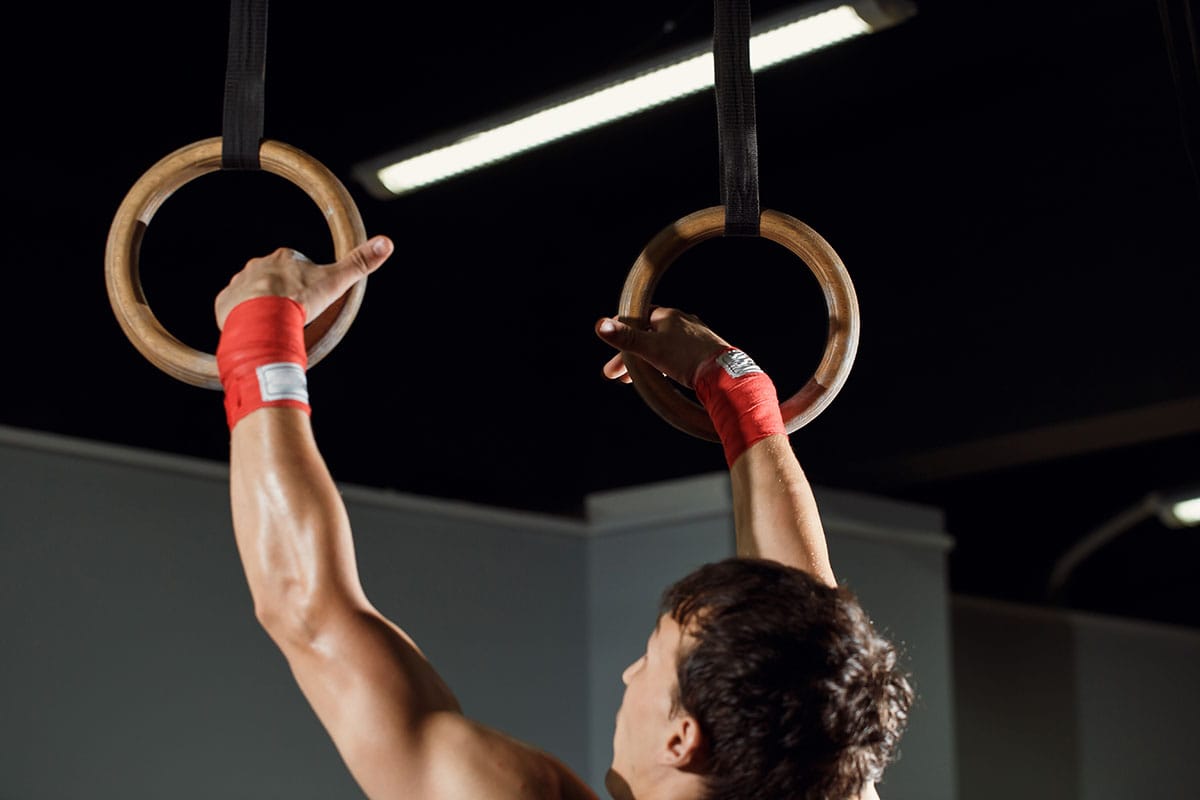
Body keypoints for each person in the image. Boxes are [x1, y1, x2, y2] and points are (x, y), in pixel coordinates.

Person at [213, 236, 913, 800]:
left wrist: (260, 331)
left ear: (683, 738)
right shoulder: (829, 767)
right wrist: (736, 392)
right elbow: (808, 634)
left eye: (649, 659)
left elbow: (310, 612)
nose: (627, 677)